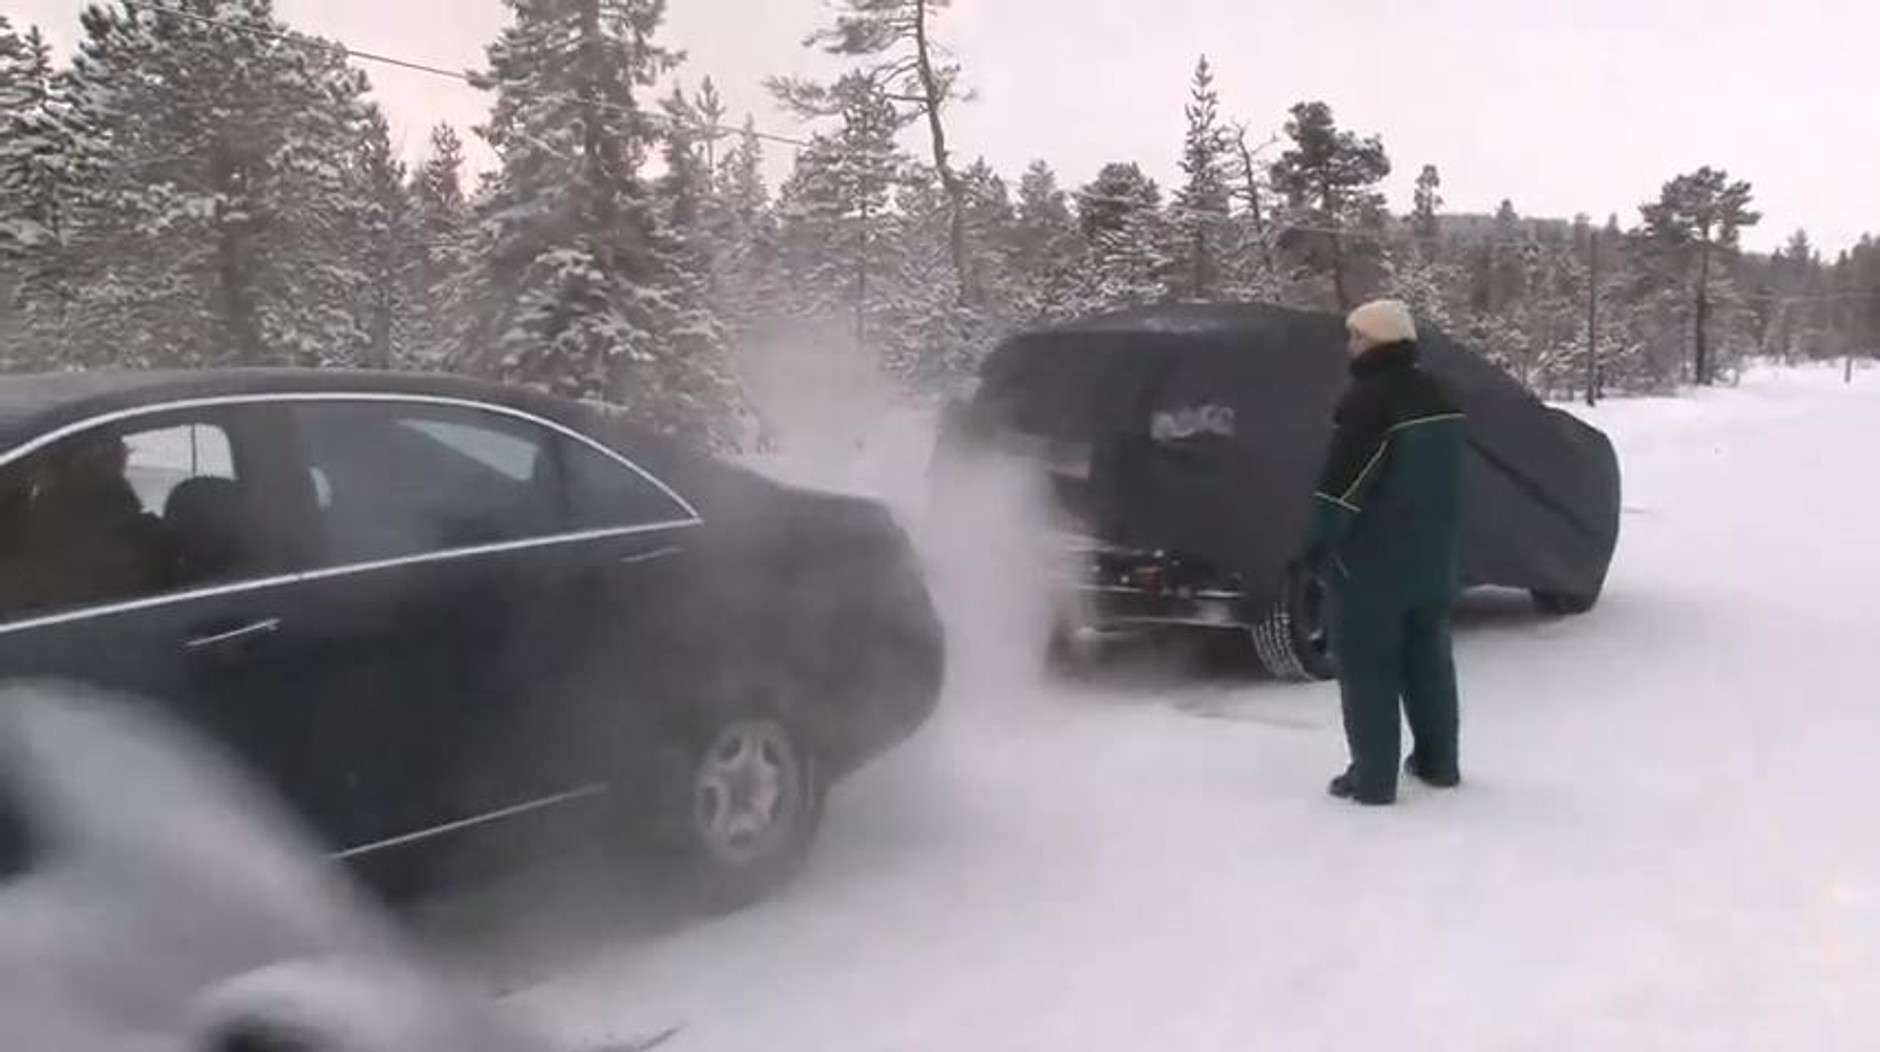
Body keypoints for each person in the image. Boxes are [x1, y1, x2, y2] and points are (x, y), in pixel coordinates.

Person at [1296, 299, 1468, 805]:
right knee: (1428, 659)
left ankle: (1372, 779)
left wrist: (1317, 546)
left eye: (1355, 336)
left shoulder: (1369, 401)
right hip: (1435, 556)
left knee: (1367, 665)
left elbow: (1341, 486)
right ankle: (1440, 764)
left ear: (1373, 341)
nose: (1349, 346)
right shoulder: (1442, 394)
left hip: (1374, 561)